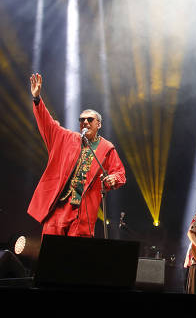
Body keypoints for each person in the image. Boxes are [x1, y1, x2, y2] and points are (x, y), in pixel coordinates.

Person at [28, 73, 126, 237]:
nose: (85, 122)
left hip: (83, 210)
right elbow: (47, 124)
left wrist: (113, 179)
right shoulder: (67, 138)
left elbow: (120, 173)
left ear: (99, 124)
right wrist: (37, 99)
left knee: (76, 255)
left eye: (89, 119)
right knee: (50, 252)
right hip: (58, 207)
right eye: (82, 120)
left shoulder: (107, 148)